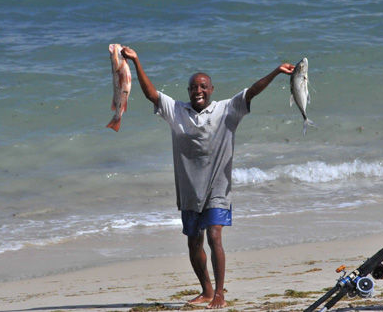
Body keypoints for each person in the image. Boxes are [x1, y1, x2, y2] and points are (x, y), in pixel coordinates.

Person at [121, 46, 294, 309]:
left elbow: (252, 90)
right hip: (190, 189)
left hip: (218, 188)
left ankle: (220, 294)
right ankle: (206, 290)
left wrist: (276, 72)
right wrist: (135, 61)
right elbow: (150, 94)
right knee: (194, 242)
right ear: (188, 91)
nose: (198, 90)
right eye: (193, 87)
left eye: (203, 86)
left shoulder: (227, 110)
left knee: (214, 237)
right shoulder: (176, 111)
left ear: (211, 90)